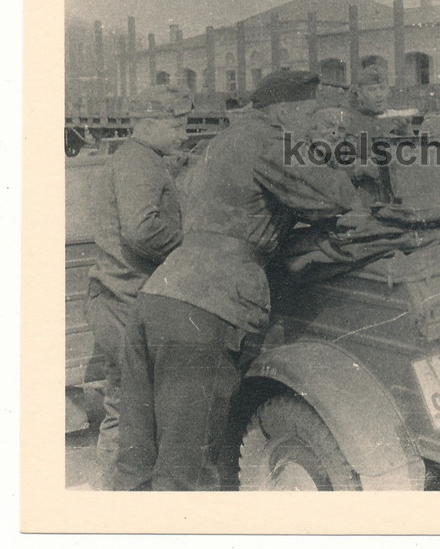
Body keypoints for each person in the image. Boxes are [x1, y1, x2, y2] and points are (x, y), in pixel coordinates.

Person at [114, 70, 362, 491]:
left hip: (159, 296)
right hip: (208, 310)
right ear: (284, 111)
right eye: (309, 114)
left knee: (138, 461)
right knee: (189, 471)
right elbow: (337, 196)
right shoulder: (270, 140)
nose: (314, 124)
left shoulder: (221, 142)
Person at [85, 83, 191, 488]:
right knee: (128, 404)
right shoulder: (140, 163)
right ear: (149, 124)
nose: (183, 133)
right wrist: (190, 248)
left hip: (120, 296)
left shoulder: (139, 157)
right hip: (123, 301)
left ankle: (116, 487)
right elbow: (143, 232)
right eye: (176, 125)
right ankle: (112, 493)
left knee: (127, 399)